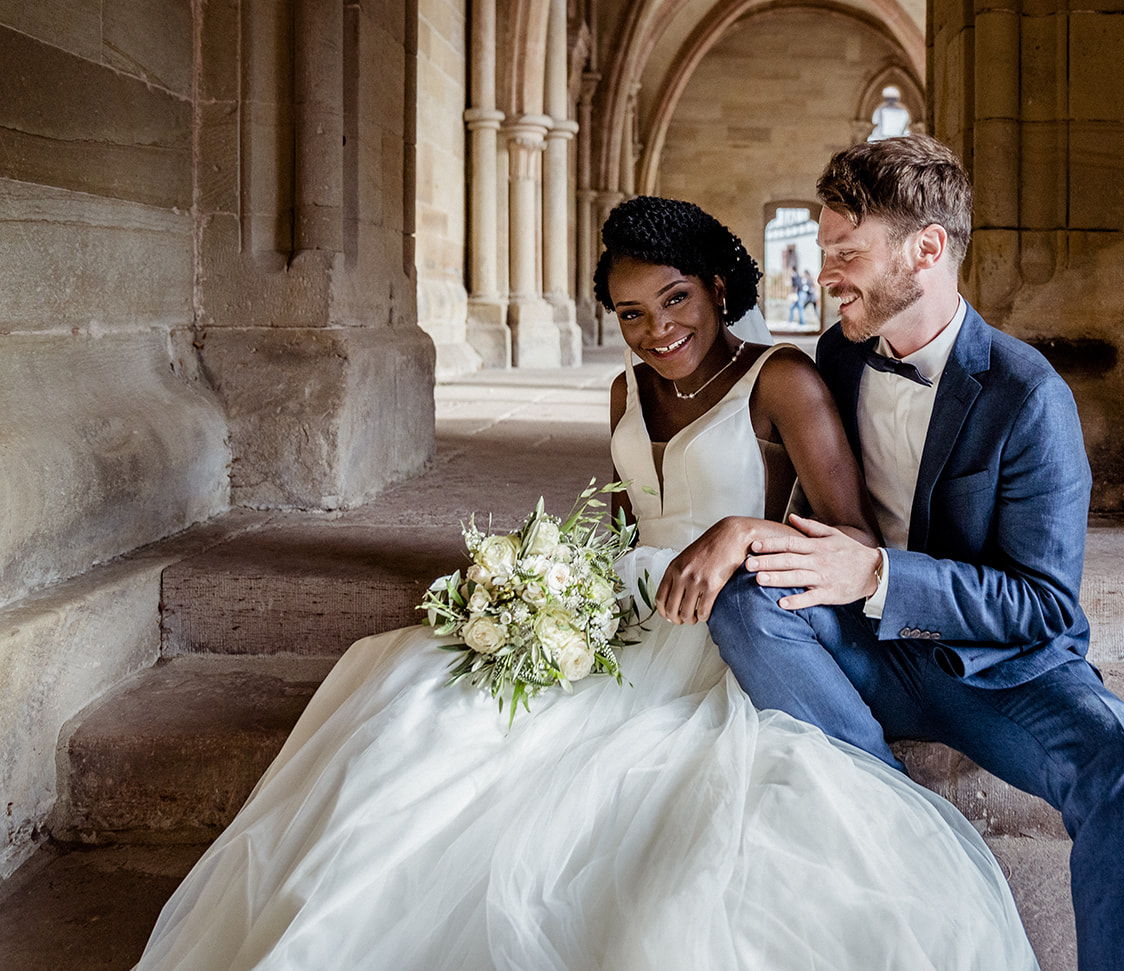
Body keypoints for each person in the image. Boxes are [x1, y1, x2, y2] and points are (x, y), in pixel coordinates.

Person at [134, 195, 1039, 971]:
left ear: (719, 287)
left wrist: (742, 535)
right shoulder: (622, 392)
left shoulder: (781, 379)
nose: (657, 329)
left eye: (674, 298)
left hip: (721, 622)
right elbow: (618, 521)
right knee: (420, 700)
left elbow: (850, 536)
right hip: (618, 608)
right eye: (631, 312)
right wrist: (546, 586)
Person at [709, 136, 1124, 971]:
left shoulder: (1029, 395)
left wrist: (877, 574)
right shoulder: (839, 356)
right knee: (747, 599)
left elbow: (1043, 604)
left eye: (846, 253)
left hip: (1000, 670)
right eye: (826, 251)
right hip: (862, 652)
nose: (827, 274)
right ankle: (887, 800)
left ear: (926, 249)